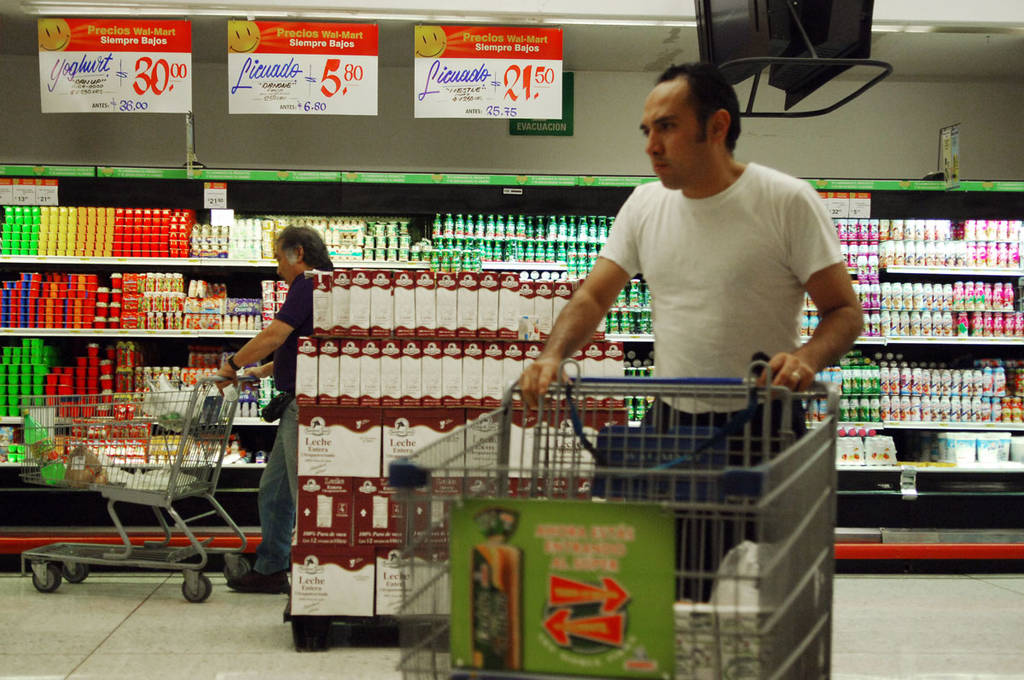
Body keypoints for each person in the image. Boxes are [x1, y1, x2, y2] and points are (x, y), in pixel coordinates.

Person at [520, 61, 862, 424]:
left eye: (667, 127)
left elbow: (845, 311)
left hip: (763, 420)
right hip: (671, 417)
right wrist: (551, 355)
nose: (651, 146)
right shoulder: (643, 205)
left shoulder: (787, 201)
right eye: (648, 131)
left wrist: (806, 359)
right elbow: (593, 297)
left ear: (717, 126)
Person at [216, 225, 333, 594]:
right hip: (301, 402)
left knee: (303, 494)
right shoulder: (324, 285)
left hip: (306, 406)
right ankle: (271, 569)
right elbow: (305, 343)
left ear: (298, 253)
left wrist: (231, 365)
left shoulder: (307, 285)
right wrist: (264, 370)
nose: (277, 268)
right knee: (276, 491)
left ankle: (317, 577)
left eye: (279, 258)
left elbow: (275, 335)